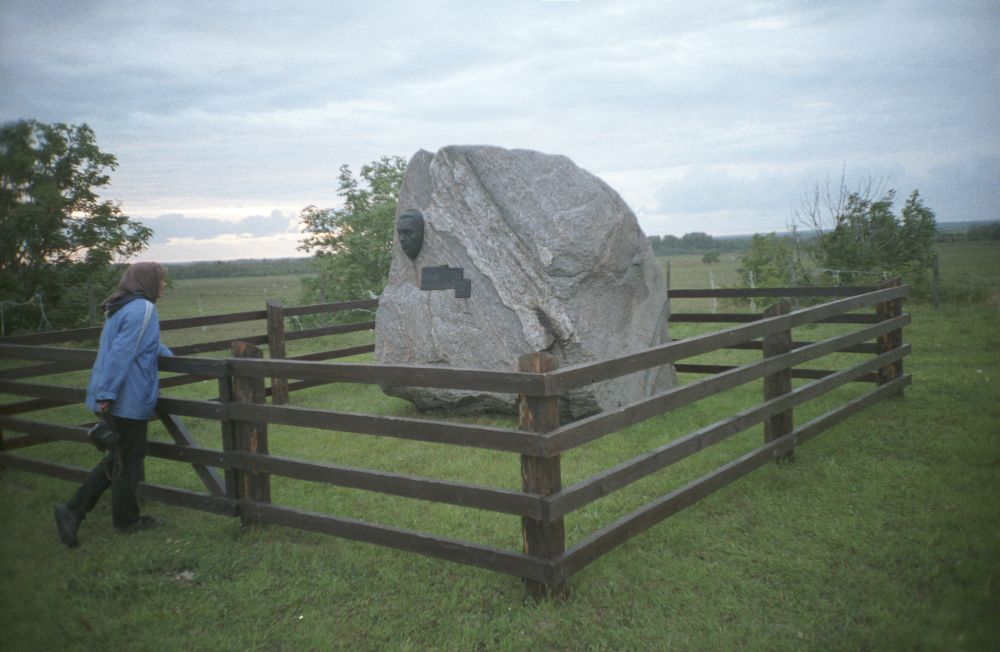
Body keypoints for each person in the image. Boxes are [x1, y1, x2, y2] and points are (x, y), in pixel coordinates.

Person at [54, 262, 173, 548]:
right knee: (128, 461)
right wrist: (107, 394)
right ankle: (85, 513)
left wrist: (174, 358)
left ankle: (107, 516)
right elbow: (122, 352)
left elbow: (147, 345)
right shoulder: (143, 308)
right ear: (148, 281)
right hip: (126, 398)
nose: (164, 285)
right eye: (161, 279)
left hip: (117, 395)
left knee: (120, 459)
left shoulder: (121, 306)